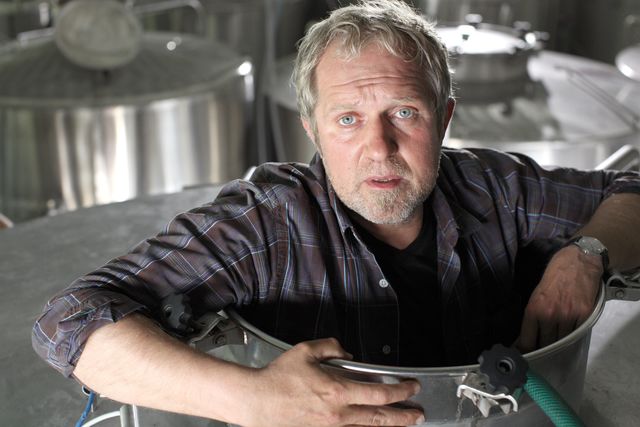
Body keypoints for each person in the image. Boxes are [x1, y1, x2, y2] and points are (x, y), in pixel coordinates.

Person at [33, 1, 640, 426]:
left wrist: (586, 254)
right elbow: (69, 320)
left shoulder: (494, 187)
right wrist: (254, 399)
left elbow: (633, 189)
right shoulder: (268, 223)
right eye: (348, 119)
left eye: (404, 112)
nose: (379, 147)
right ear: (313, 131)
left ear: (445, 119)